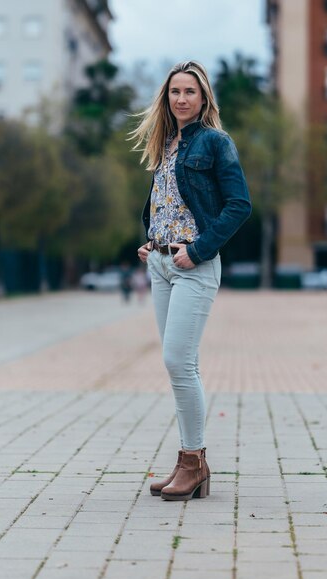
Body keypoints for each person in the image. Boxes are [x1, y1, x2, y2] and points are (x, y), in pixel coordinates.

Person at [131, 61, 251, 501]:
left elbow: (239, 205)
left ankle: (192, 460)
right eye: (175, 91)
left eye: (190, 92)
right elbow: (164, 203)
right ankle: (190, 464)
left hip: (194, 266)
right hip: (161, 265)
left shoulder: (216, 143)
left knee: (177, 363)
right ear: (167, 98)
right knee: (183, 365)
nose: (182, 98)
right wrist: (150, 240)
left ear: (203, 100)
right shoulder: (164, 143)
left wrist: (197, 250)